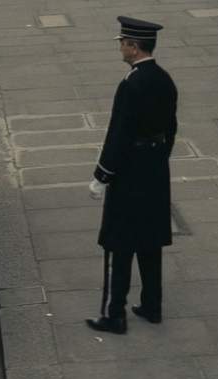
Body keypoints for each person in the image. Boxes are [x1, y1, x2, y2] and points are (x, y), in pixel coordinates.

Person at [85, 16, 178, 334]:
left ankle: (115, 315)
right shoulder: (165, 79)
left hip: (128, 173)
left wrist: (102, 175)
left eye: (123, 43)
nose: (121, 48)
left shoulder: (130, 84)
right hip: (154, 169)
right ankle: (152, 306)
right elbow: (171, 129)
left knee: (119, 244)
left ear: (134, 47)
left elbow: (119, 134)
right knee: (150, 241)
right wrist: (157, 159)